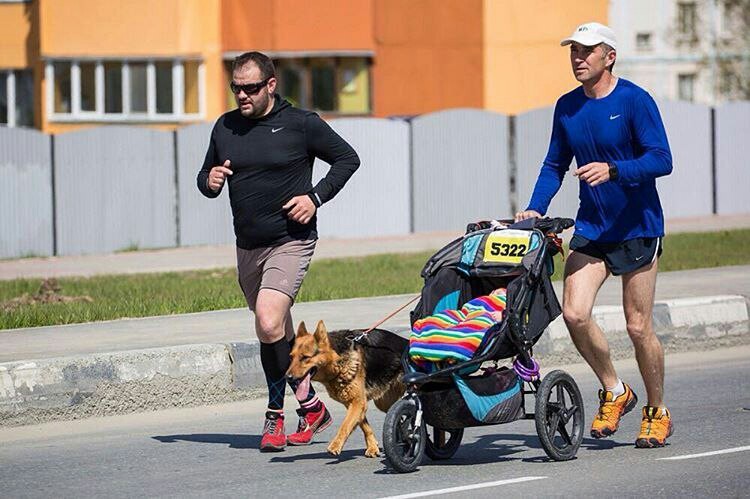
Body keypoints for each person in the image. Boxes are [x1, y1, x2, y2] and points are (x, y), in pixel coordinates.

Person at [515, 22, 674, 448]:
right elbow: (554, 165)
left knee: (638, 327)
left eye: (587, 50)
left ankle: (657, 411)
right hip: (592, 228)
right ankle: (615, 390)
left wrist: (615, 169)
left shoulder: (635, 101)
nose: (578, 57)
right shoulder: (567, 107)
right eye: (573, 51)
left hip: (638, 228)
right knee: (575, 313)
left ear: (610, 56)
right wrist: (536, 207)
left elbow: (661, 159)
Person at [197, 51, 360, 451]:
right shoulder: (226, 127)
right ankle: (311, 407)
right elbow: (205, 177)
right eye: (235, 87)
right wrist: (211, 179)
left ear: (271, 85)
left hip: (291, 239)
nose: (241, 95)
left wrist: (315, 197)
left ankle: (274, 416)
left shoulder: (300, 124)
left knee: (268, 322)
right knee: (277, 332)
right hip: (248, 246)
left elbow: (347, 159)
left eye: (250, 88)